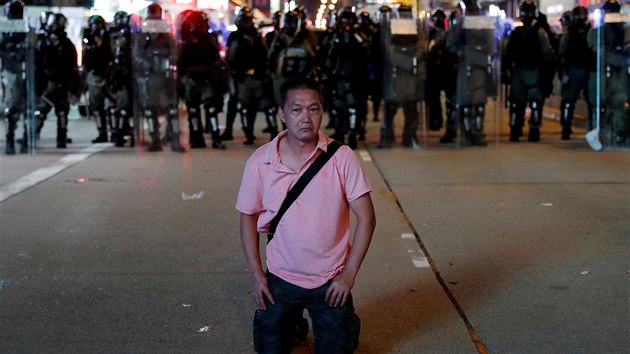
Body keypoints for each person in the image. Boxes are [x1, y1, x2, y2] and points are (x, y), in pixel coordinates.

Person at [237, 77, 376, 353]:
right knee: (269, 347)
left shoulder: (341, 157)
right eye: (296, 109)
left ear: (322, 112)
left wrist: (348, 275)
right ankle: (293, 324)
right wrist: (256, 272)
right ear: (281, 113)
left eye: (313, 109)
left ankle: (307, 321)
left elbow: (367, 218)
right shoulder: (261, 160)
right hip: (281, 276)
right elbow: (247, 216)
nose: (305, 118)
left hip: (330, 280)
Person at [504, 0, 552, 142]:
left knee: (519, 102)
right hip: (530, 71)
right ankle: (531, 129)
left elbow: (508, 53)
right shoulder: (539, 31)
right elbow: (547, 54)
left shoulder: (522, 32)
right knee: (532, 102)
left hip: (524, 71)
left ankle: (517, 129)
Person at [1, 0, 28, 154]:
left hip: (27, 71)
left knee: (29, 108)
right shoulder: (5, 30)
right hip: (12, 71)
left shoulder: (25, 28)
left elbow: (32, 47)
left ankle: (26, 139)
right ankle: (10, 139)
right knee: (13, 106)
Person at [82, 14, 113, 143]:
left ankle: (116, 131)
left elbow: (109, 56)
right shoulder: (87, 40)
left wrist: (101, 43)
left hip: (108, 75)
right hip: (94, 75)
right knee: (96, 106)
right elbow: (85, 58)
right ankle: (102, 132)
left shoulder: (108, 40)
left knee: (111, 105)